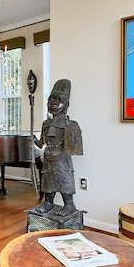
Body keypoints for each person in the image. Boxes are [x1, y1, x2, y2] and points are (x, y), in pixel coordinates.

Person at [32, 79, 83, 218]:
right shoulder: (46, 124)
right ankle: (48, 202)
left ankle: (69, 205)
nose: (54, 103)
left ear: (66, 103)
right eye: (51, 99)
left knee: (64, 180)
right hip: (48, 158)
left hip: (62, 159)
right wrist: (33, 140)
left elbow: (73, 146)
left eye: (59, 99)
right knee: (48, 182)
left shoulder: (70, 124)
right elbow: (42, 143)